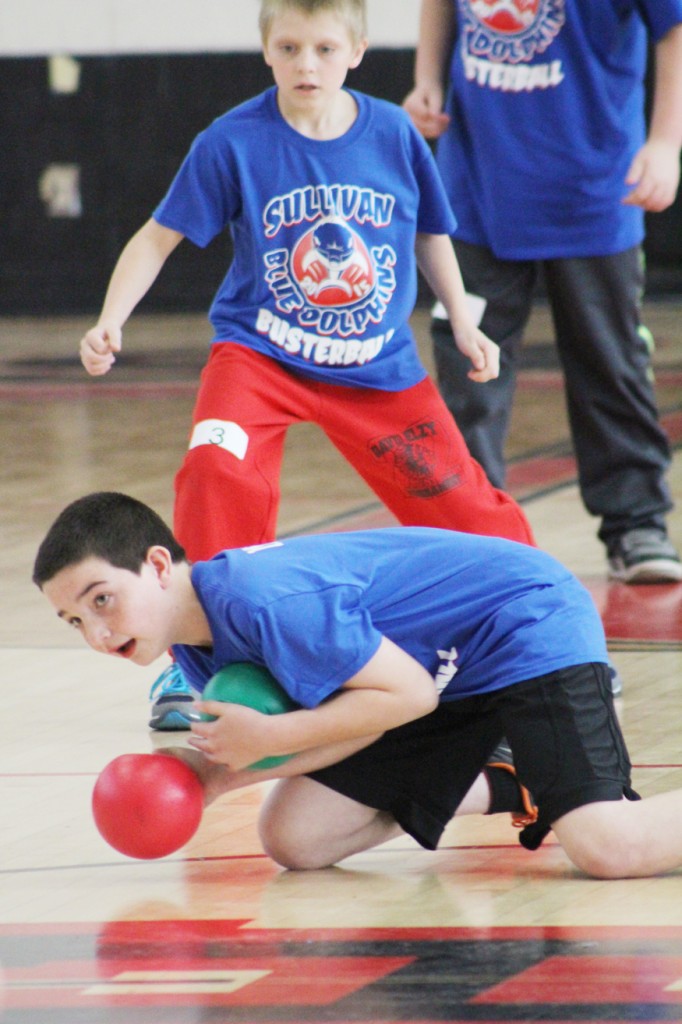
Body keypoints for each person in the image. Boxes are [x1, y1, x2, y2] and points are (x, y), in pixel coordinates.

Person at [78, 0, 536, 730]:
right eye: (288, 48)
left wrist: (466, 321)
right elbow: (156, 239)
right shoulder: (232, 142)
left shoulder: (390, 132)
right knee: (213, 471)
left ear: (355, 50)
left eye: (324, 48)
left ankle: (536, 636)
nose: (306, 65)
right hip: (260, 360)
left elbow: (430, 234)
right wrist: (111, 319)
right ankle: (194, 668)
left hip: (379, 373)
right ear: (266, 52)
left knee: (467, 508)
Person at [33, 490, 682, 878]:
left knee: (607, 847)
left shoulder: (262, 601)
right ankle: (518, 778)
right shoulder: (196, 649)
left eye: (101, 600)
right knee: (295, 839)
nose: (95, 633)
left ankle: (553, 777)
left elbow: (407, 699)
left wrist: (274, 734)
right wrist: (223, 780)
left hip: (522, 627)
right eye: (74, 620)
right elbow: (358, 716)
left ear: (155, 566)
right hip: (442, 674)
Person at [403, 0, 682, 585]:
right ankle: (470, 532)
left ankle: (635, 521)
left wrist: (664, 142)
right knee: (467, 367)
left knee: (610, 361)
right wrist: (426, 79)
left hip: (596, 189)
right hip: (477, 189)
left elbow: (673, 27)